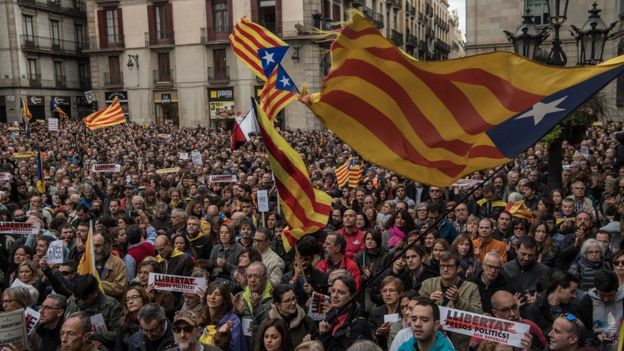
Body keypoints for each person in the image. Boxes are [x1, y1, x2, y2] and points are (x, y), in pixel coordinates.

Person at [419, 251, 482, 349]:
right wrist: (428, 300)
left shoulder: (471, 288)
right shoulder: (428, 284)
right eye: (442, 265)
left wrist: (459, 301)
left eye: (449, 266)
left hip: (459, 345)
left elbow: (479, 316)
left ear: (458, 268)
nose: (445, 269)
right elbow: (415, 309)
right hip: (430, 344)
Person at [65, 274, 122, 350]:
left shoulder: (111, 305)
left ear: (95, 292)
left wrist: (93, 335)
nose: (82, 302)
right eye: (79, 298)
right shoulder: (74, 300)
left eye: (85, 298)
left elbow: (117, 335)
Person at [319, 274, 374, 350]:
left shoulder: (359, 324)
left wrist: (325, 336)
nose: (334, 295)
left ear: (352, 296)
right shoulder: (330, 315)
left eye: (341, 293)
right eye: (333, 291)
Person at [576, 270, 624, 350]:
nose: (606, 299)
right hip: (595, 343)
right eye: (602, 295)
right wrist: (596, 335)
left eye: (611, 295)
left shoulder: (622, 299)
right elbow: (582, 329)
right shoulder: (587, 301)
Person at [234, 261, 273, 351]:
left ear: (265, 278)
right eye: (249, 276)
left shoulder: (275, 296)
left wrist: (256, 308)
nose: (252, 280)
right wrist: (237, 313)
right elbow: (234, 325)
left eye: (256, 276)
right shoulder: (239, 297)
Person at [199, 281, 247, 351]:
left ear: (224, 300)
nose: (212, 297)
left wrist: (220, 336)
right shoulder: (201, 318)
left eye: (217, 294)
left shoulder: (233, 320)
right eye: (209, 293)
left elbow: (236, 348)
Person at [92, 230, 128, 300]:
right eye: (92, 245)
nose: (94, 249)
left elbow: (119, 288)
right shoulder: (86, 262)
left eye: (98, 245)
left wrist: (96, 283)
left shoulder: (118, 264)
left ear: (107, 245)